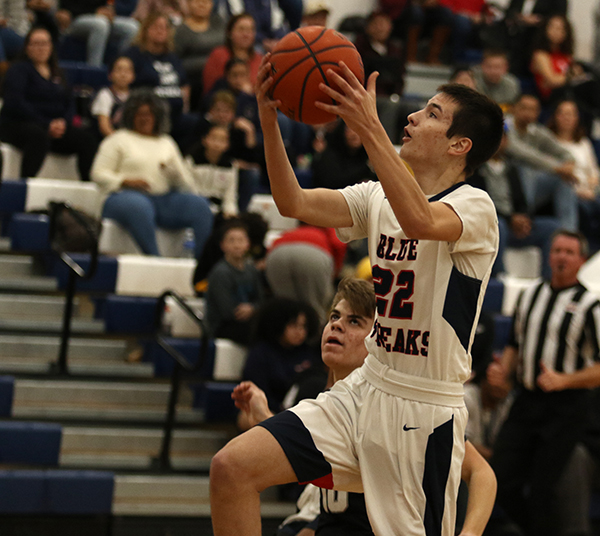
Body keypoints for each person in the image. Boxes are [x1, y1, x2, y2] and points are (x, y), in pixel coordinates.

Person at [209, 45, 504, 534]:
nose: (411, 116)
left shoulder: (476, 208)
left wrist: (369, 127)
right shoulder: (377, 196)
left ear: (460, 145)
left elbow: (419, 218)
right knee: (232, 469)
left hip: (424, 410)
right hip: (365, 388)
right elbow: (292, 201)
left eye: (431, 114)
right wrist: (268, 122)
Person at [234, 278, 497, 536]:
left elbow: (481, 472)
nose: (337, 325)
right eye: (334, 316)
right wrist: (264, 418)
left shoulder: (395, 405)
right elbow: (304, 464)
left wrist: (471, 532)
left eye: (354, 321)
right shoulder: (325, 400)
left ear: (381, 340)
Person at [488, 229, 600, 536]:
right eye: (557, 250)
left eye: (569, 252)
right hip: (526, 401)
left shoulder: (592, 305)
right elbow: (514, 343)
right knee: (499, 478)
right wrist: (503, 371)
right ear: (549, 256)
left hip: (566, 409)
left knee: (544, 491)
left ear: (581, 260)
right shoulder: (530, 295)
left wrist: (566, 379)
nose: (562, 257)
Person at [90, 89, 214, 259]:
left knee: (200, 206)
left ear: (158, 117)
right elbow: (98, 174)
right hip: (121, 197)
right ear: (130, 115)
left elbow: (188, 186)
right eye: (140, 114)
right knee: (140, 206)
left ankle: (203, 265)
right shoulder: (118, 139)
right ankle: (155, 259)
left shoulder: (167, 142)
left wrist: (176, 176)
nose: (145, 118)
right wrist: (126, 181)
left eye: (150, 114)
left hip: (162, 199)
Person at [0, 27, 98, 181]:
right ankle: (24, 183)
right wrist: (47, 124)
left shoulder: (58, 72)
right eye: (36, 44)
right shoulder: (18, 70)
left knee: (87, 140)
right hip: (19, 124)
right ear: (27, 47)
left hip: (53, 127)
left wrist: (63, 123)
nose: (41, 48)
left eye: (45, 43)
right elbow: (16, 103)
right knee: (38, 136)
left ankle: (87, 186)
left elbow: (69, 102)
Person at [468, 130, 560, 279]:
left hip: (514, 223)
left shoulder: (513, 169)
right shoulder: (476, 169)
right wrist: (511, 219)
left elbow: (522, 200)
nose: (499, 143)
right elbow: (479, 202)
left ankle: (548, 279)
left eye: (502, 139)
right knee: (499, 226)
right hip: (492, 222)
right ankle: (498, 276)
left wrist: (524, 218)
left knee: (552, 227)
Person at [239, 297, 321, 430]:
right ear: (279, 324)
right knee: (246, 416)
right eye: (294, 325)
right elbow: (256, 391)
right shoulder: (261, 353)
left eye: (304, 326)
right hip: (270, 413)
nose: (300, 332)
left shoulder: (309, 353)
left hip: (303, 414)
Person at [505, 93, 579, 231]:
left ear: (538, 113)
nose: (528, 113)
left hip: (532, 186)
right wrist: (557, 168)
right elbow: (523, 153)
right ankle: (523, 218)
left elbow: (565, 153)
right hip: (505, 187)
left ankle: (568, 232)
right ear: (514, 108)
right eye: (524, 108)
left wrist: (569, 165)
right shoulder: (504, 127)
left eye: (533, 109)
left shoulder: (537, 131)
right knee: (524, 168)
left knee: (564, 180)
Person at [125, 12, 198, 151]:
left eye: (165, 27)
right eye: (156, 27)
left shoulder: (172, 56)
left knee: (200, 124)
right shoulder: (135, 54)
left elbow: (184, 83)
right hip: (150, 113)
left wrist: (185, 105)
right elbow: (126, 82)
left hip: (176, 114)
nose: (161, 30)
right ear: (146, 30)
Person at [265, 224, 347, 324]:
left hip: (277, 252)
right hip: (313, 252)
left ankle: (283, 335)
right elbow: (339, 244)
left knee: (285, 306)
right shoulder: (328, 225)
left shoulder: (293, 230)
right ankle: (318, 336)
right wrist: (337, 270)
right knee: (315, 307)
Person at [547, 100, 600, 253]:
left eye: (571, 114)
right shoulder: (550, 142)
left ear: (577, 118)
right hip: (570, 193)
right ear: (555, 116)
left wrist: (592, 188)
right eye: (562, 113)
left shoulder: (583, 142)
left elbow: (594, 171)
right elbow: (554, 175)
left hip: (591, 190)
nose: (566, 118)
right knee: (584, 209)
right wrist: (580, 191)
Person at [205, 219, 264, 345]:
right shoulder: (220, 273)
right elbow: (227, 313)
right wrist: (252, 311)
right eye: (231, 241)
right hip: (223, 327)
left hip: (248, 321)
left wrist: (252, 309)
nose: (237, 245)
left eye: (241, 240)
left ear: (248, 244)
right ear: (223, 245)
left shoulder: (251, 270)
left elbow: (261, 300)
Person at [353, 10, 405, 144]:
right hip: (366, 97)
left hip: (392, 96)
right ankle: (386, 148)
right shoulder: (358, 48)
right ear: (368, 27)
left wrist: (396, 94)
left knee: (414, 109)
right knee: (389, 106)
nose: (381, 28)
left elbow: (400, 78)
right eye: (377, 24)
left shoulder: (396, 49)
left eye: (384, 24)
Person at [174, 0, 226, 110]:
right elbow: (175, 60)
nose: (202, 4)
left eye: (206, 1)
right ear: (188, 4)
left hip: (222, 77)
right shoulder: (181, 31)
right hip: (194, 80)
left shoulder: (219, 22)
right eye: (197, 1)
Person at [55, 0, 139, 68]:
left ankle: (118, 68)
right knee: (100, 25)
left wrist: (109, 11)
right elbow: (67, 7)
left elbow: (107, 4)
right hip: (75, 19)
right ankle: (94, 70)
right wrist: (94, 12)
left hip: (100, 18)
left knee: (132, 27)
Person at [185, 123, 239, 218]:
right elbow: (188, 187)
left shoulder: (230, 166)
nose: (217, 144)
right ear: (205, 140)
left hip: (218, 209)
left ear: (228, 144)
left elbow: (230, 195)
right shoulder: (191, 161)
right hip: (196, 205)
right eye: (214, 138)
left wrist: (230, 212)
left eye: (222, 140)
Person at [202, 13, 262, 96]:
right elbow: (211, 90)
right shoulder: (218, 55)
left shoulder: (259, 59)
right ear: (229, 32)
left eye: (250, 30)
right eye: (241, 29)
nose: (246, 34)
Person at [311, 121, 377, 191]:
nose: (354, 134)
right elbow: (335, 182)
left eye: (358, 129)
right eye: (349, 130)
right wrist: (366, 168)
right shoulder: (330, 154)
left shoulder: (367, 154)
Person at [90, 55, 135, 138]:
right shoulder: (105, 95)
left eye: (127, 71)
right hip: (108, 140)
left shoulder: (135, 97)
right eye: (119, 70)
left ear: (133, 76)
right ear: (110, 75)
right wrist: (119, 142)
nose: (123, 74)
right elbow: (104, 127)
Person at [472, 48, 521, 114]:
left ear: (506, 68)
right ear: (482, 66)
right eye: (489, 66)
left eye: (498, 67)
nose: (493, 71)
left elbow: (511, 111)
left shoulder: (512, 84)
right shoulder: (472, 79)